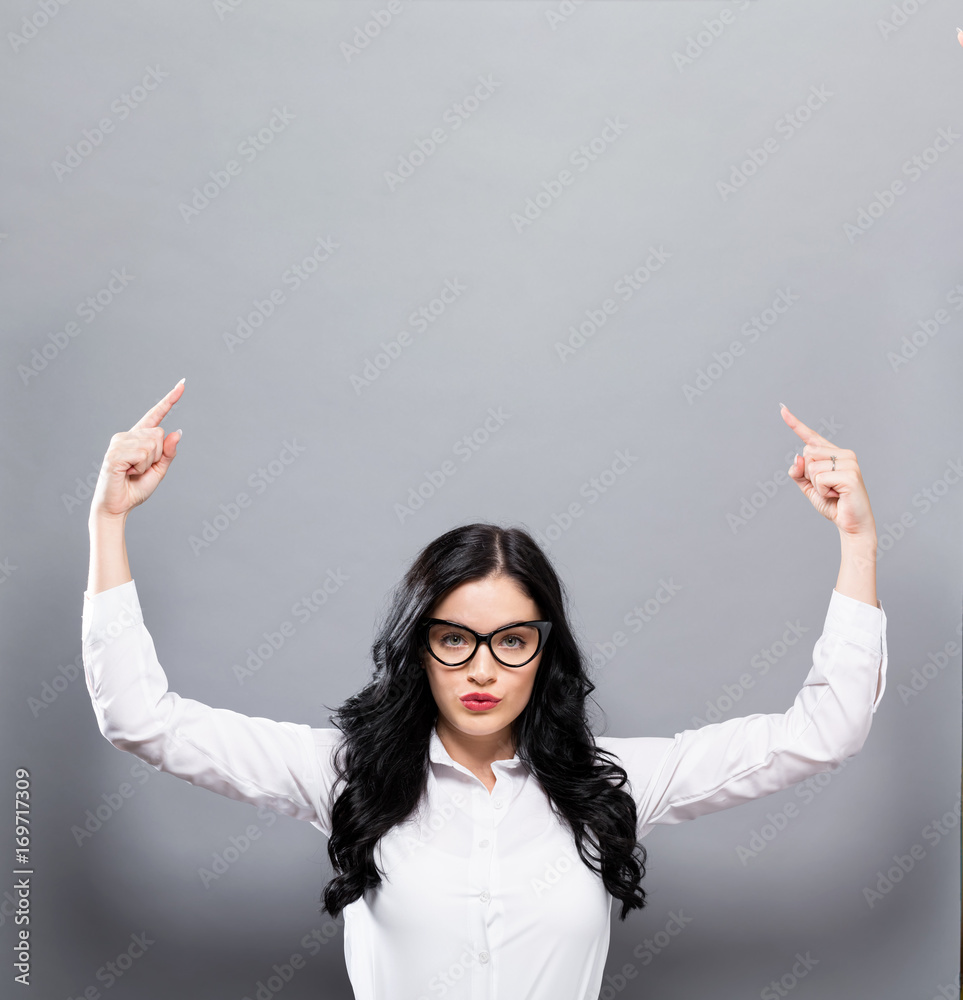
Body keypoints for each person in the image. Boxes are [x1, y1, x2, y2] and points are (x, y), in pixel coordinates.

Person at [82, 380, 887, 1000]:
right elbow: (140, 719)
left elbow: (822, 733)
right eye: (454, 638)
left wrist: (855, 541)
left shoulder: (612, 786)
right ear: (419, 648)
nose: (481, 669)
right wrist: (108, 523)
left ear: (545, 653)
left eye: (511, 641)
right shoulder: (343, 775)